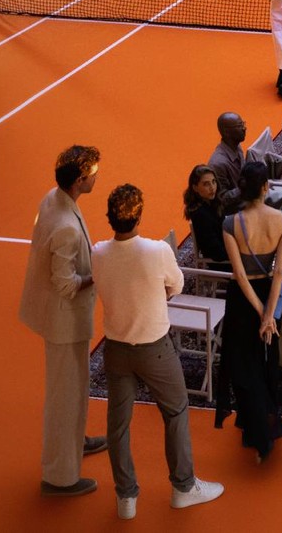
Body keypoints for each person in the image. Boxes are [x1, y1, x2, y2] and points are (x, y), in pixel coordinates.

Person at [92, 184, 224, 519]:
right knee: (176, 412)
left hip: (116, 350)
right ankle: (183, 487)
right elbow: (176, 286)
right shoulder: (155, 251)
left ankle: (126, 498)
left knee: (118, 425)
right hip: (156, 349)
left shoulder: (98, 253)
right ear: (138, 215)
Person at [19, 143, 105, 499]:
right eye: (93, 174)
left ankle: (75, 441)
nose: (97, 177)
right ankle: (59, 475)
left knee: (72, 388)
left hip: (60, 318)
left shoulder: (53, 199)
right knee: (64, 395)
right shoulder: (67, 227)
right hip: (63, 321)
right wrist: (96, 274)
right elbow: (66, 283)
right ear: (80, 179)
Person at [216, 161, 282, 462]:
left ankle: (254, 427)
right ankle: (267, 420)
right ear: (266, 187)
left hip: (242, 301)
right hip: (270, 299)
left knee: (243, 364)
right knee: (267, 360)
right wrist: (269, 315)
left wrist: (260, 312)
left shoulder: (230, 224)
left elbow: (239, 275)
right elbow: (279, 274)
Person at [182, 166, 227, 271]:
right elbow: (216, 252)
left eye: (213, 182)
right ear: (195, 188)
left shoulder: (211, 204)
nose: (212, 187)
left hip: (225, 252)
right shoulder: (200, 214)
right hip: (221, 263)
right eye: (206, 184)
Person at [207, 113, 246, 209]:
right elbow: (222, 199)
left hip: (247, 199)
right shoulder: (217, 164)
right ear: (226, 132)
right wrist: (247, 187)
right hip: (236, 211)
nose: (244, 128)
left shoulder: (237, 146)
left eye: (243, 124)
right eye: (239, 126)